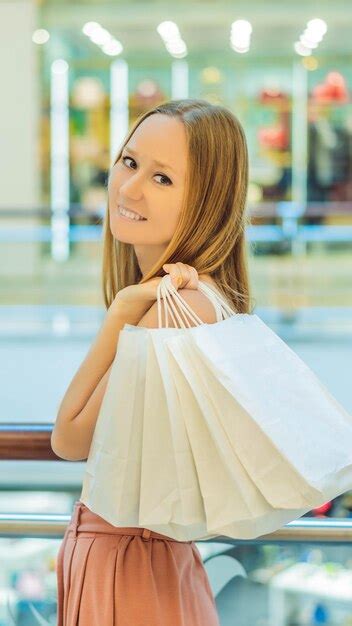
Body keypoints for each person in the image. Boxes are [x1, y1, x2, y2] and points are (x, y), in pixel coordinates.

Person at [51, 98, 252, 625]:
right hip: (143, 564)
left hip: (130, 570)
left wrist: (120, 315)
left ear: (205, 203)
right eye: (129, 162)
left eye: (162, 179)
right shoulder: (193, 299)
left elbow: (68, 438)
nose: (129, 188)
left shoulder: (169, 309)